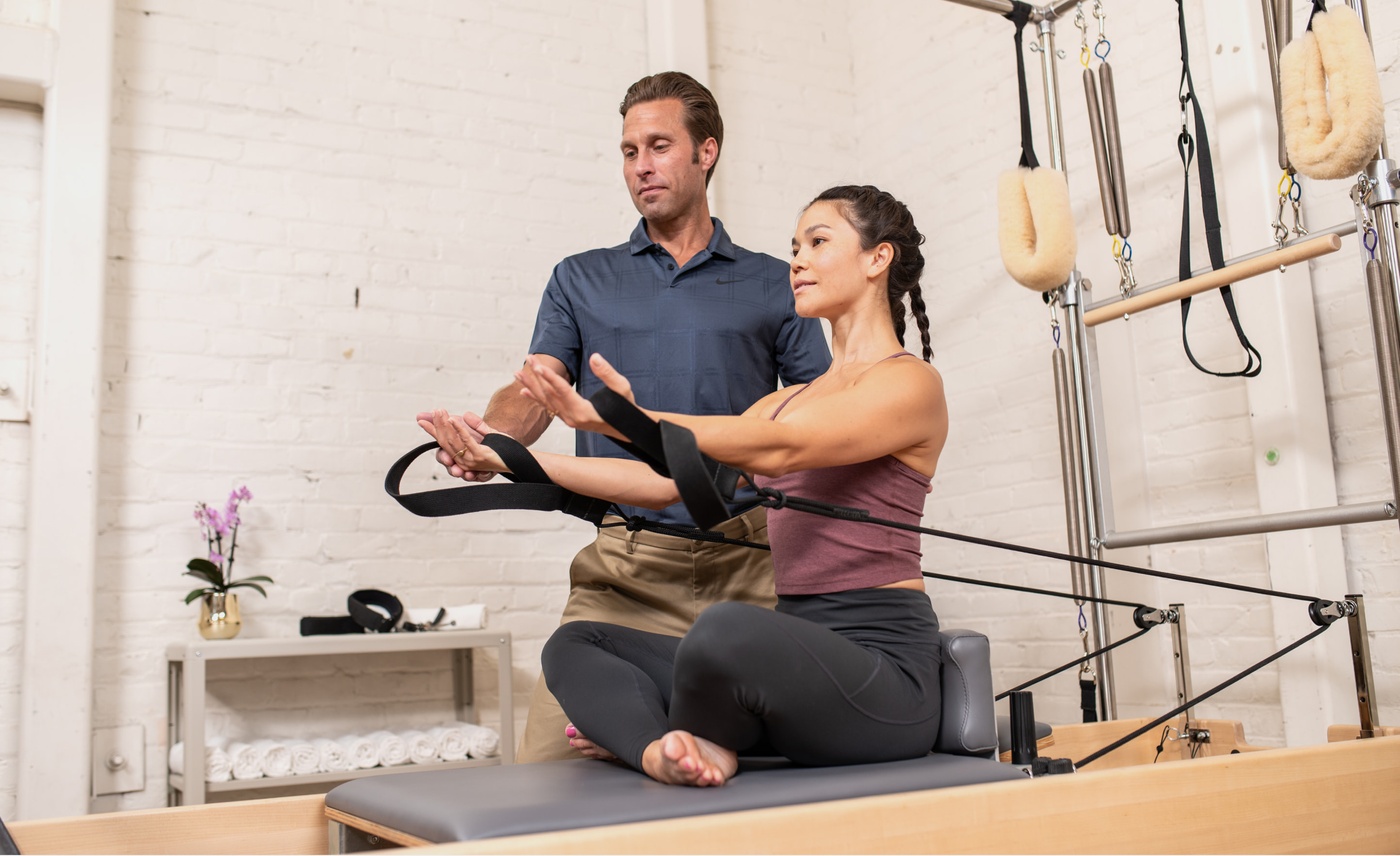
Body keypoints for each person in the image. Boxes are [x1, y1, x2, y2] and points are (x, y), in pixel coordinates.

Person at [423, 184, 947, 786]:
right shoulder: (784, 400)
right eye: (794, 245)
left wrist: (624, 418)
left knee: (723, 629)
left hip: (882, 676)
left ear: (877, 259)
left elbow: (787, 446)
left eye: (818, 242)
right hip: (796, 662)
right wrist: (511, 459)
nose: (797, 259)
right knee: (577, 644)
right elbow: (663, 483)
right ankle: (663, 751)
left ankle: (704, 736)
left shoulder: (910, 385)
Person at [418, 71, 830, 763]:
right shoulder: (581, 278)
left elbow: (814, 421)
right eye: (630, 150)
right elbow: (536, 387)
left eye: (660, 145)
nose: (641, 165)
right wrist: (491, 441)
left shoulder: (772, 281)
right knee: (547, 767)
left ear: (707, 152)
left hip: (750, 572)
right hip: (625, 568)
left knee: (760, 774)